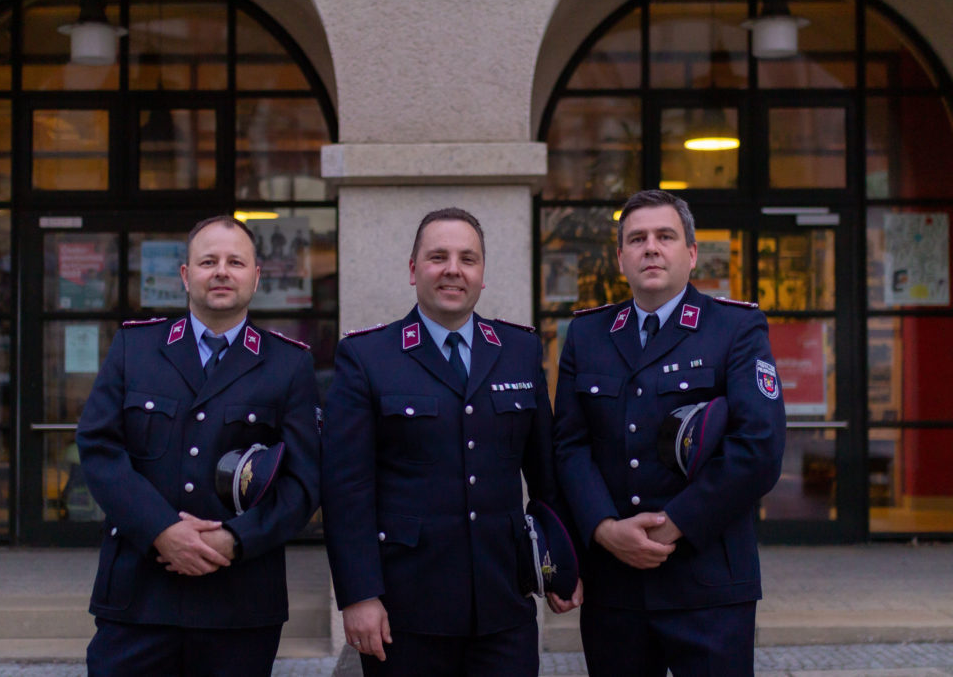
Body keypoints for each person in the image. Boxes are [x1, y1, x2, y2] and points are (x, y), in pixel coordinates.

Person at [321, 207, 582, 677]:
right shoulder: (366, 357)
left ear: (482, 274)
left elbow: (547, 474)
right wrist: (359, 595)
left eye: (468, 258)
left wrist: (562, 563)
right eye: (437, 256)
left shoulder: (519, 350)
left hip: (503, 603)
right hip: (406, 611)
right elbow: (346, 490)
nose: (452, 270)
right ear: (413, 269)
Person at [76, 215, 321, 676]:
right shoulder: (136, 348)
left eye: (235, 262)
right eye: (208, 261)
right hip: (139, 598)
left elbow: (304, 482)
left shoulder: (290, 365)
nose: (222, 271)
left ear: (256, 276)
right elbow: (98, 447)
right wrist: (161, 531)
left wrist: (235, 540)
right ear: (186, 276)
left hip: (239, 603)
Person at [553, 190, 785, 677]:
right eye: (636, 239)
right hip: (616, 583)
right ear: (621, 258)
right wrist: (603, 529)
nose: (651, 248)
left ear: (691, 252)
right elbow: (570, 447)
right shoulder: (588, 336)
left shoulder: (735, 328)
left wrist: (676, 522)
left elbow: (758, 448)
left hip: (709, 583)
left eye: (665, 236)